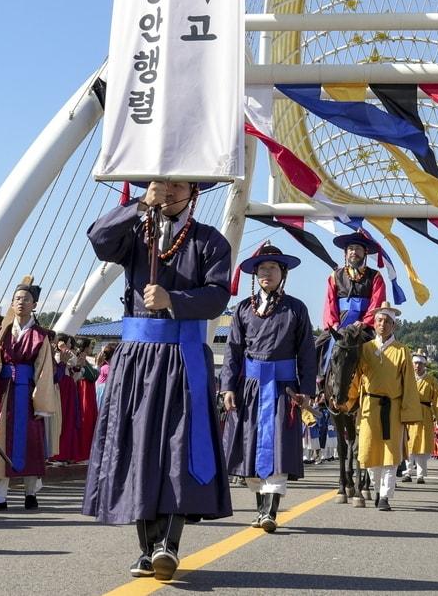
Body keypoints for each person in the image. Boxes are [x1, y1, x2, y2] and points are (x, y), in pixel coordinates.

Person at [84, 180, 232, 581]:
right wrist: (137, 205)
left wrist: (174, 301)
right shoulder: (135, 233)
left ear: (193, 193)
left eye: (176, 185)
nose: (167, 192)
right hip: (136, 360)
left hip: (182, 357)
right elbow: (98, 238)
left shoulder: (210, 241)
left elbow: (219, 295)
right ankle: (146, 549)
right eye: (159, 184)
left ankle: (169, 543)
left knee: (179, 448)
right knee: (138, 448)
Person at [221, 242, 318, 532]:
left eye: (273, 268)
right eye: (262, 268)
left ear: (283, 273)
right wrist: (228, 388)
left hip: (283, 388)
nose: (267, 273)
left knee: (278, 448)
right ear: (255, 274)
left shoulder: (296, 309)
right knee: (250, 446)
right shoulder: (242, 310)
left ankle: (270, 512)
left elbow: (307, 353)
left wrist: (307, 390)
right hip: (249, 388)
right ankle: (260, 508)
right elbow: (232, 351)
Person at [0, 279, 59, 511]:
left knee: (29, 443)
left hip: (26, 393)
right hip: (2, 392)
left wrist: (40, 401)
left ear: (35, 304)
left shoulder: (40, 336)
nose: (21, 303)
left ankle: (30, 493)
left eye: (26, 299)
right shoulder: (0, 332)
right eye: (17, 299)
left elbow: (43, 370)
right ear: (11, 303)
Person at [349, 302, 420, 511]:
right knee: (370, 451)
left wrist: (408, 412)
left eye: (387, 321)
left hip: (394, 407)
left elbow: (409, 383)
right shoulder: (365, 348)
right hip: (369, 405)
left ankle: (385, 496)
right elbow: (356, 378)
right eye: (379, 320)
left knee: (391, 454)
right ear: (374, 322)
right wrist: (348, 401)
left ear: (394, 326)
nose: (383, 324)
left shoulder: (402, 351)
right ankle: (376, 488)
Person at [322, 231, 388, 330]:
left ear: (365, 252)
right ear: (346, 253)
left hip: (365, 327)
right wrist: (334, 323)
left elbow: (377, 303)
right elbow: (330, 303)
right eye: (351, 249)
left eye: (358, 249)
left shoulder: (375, 276)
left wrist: (365, 323)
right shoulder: (335, 276)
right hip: (339, 324)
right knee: (321, 344)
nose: (354, 252)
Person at [403, 350, 438, 484]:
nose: (417, 366)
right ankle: (407, 472)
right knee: (408, 444)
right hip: (409, 413)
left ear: (424, 365)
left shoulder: (431, 381)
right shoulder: (407, 378)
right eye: (415, 363)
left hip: (425, 413)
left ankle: (420, 475)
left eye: (420, 364)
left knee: (422, 445)